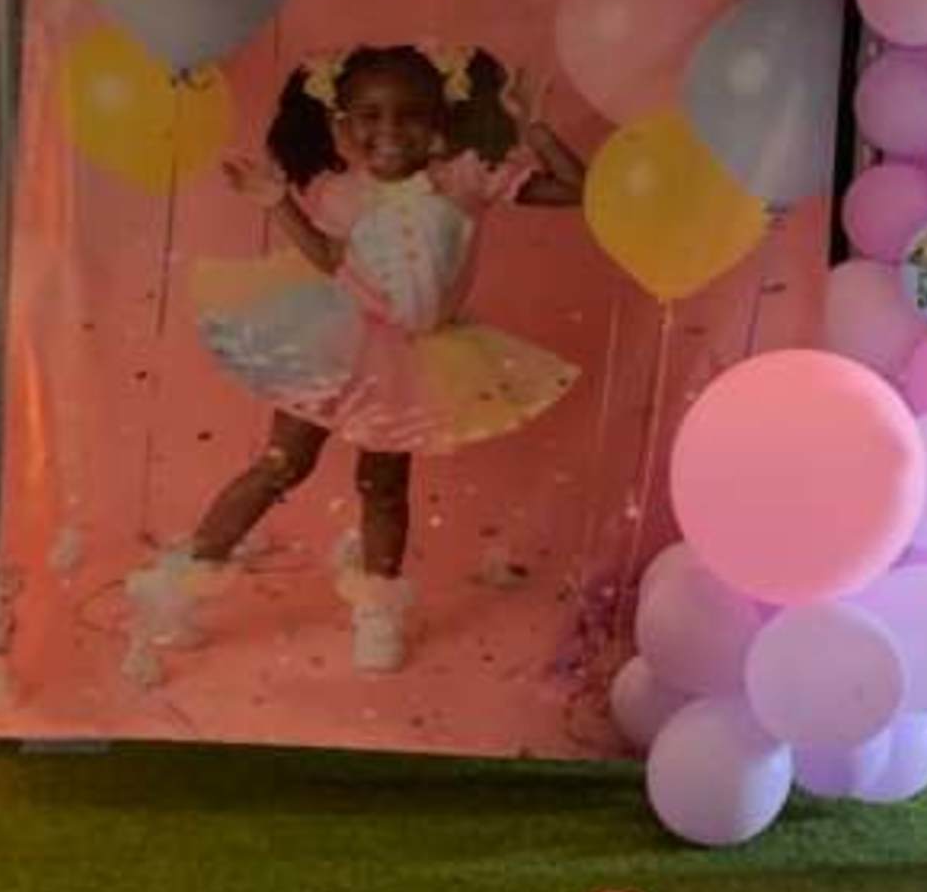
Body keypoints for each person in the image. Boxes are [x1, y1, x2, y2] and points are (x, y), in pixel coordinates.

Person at [127, 42, 584, 678]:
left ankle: (378, 610)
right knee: (282, 465)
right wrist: (277, 201)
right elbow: (329, 259)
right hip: (339, 338)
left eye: (410, 116)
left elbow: (579, 190)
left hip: (416, 357)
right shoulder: (340, 192)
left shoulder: (465, 179)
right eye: (369, 116)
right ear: (343, 125)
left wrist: (530, 124)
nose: (389, 132)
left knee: (384, 483)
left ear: (439, 123)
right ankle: (174, 588)